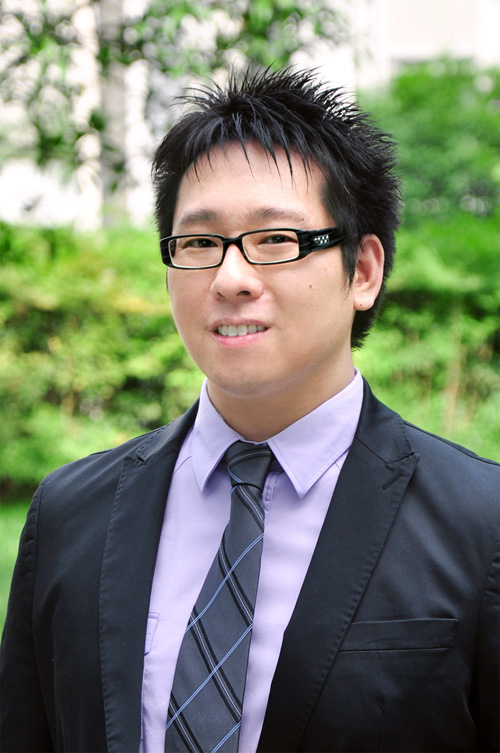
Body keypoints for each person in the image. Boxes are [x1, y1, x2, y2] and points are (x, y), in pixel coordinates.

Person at [1, 67, 498, 753]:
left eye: (275, 240)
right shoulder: (69, 513)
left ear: (363, 271)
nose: (231, 278)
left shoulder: (481, 523)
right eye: (200, 243)